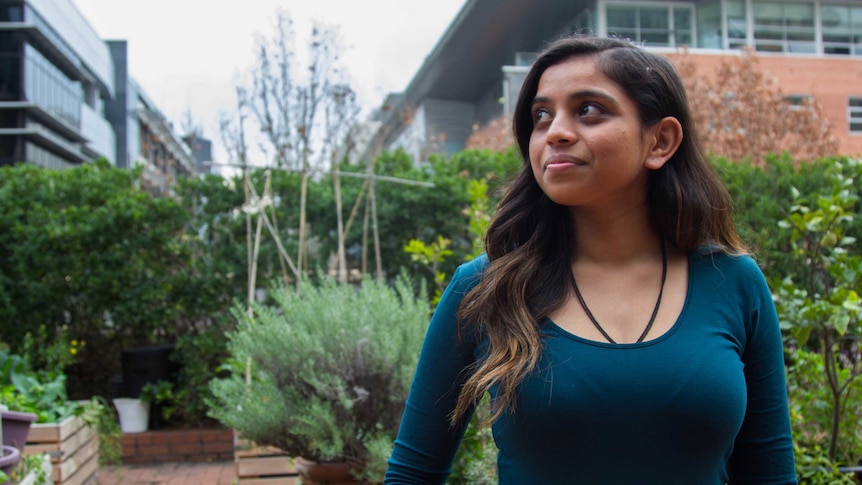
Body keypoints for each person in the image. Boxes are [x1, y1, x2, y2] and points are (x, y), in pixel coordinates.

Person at [384, 35, 797, 484]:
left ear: (661, 141)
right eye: (542, 116)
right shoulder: (484, 289)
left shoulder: (734, 282)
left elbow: (770, 473)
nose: (555, 131)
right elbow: (413, 473)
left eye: (588, 110)